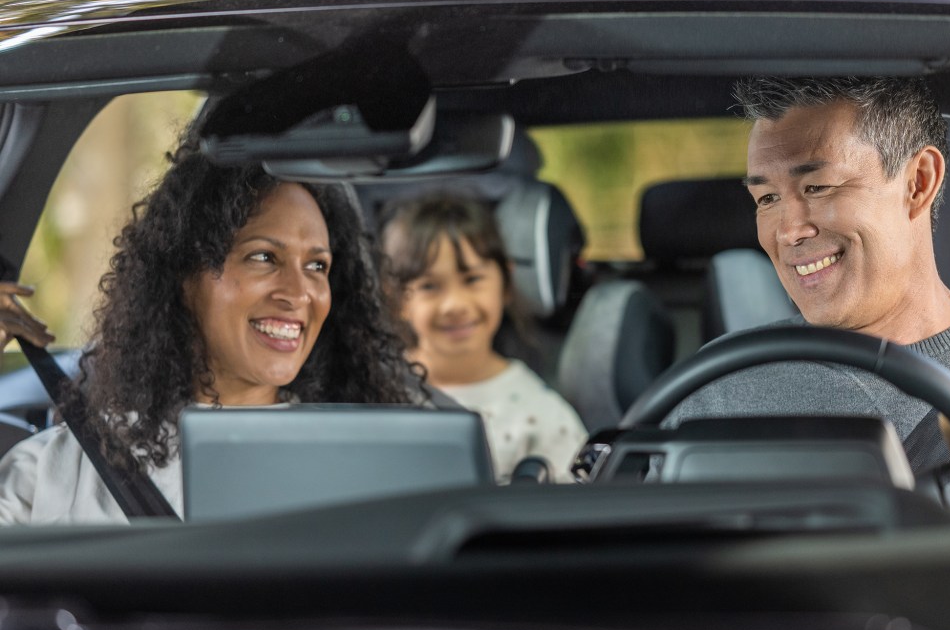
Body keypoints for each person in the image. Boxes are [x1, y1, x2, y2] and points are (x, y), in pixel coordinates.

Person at [0, 123, 417, 524]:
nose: (299, 292)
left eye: (316, 265)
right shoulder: (54, 474)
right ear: (184, 275)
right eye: (263, 257)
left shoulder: (370, 465)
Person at [664, 76, 950, 514]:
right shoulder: (715, 383)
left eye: (817, 187)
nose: (788, 231)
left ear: (918, 182)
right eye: (767, 198)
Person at [379, 192, 587, 484]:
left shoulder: (542, 418)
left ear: (505, 283)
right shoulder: (369, 392)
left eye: (473, 280)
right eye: (430, 286)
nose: (455, 305)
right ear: (397, 297)